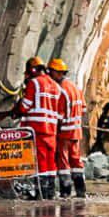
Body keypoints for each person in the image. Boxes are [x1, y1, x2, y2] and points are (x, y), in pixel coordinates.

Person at [16, 57, 64, 200]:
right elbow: (59, 111)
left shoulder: (34, 83)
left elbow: (25, 106)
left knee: (41, 161)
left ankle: (40, 193)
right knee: (50, 162)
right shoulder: (56, 87)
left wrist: (17, 107)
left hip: (38, 128)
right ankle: (49, 193)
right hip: (51, 129)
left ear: (32, 70)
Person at [47, 58, 87, 197]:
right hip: (76, 131)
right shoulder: (75, 87)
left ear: (57, 73)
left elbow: (59, 116)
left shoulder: (61, 90)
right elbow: (83, 108)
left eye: (50, 72)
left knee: (63, 162)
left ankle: (66, 192)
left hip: (65, 132)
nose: (49, 75)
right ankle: (81, 191)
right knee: (76, 160)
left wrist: (54, 132)